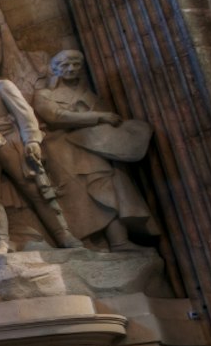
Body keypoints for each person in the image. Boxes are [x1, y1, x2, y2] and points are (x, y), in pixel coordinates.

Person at [0, 51, 81, 254]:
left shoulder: (1, 86)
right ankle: (1, 242)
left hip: (9, 141)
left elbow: (24, 114)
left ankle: (64, 236)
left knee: (36, 191)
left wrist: (32, 140)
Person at [32, 51, 156, 251]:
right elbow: (55, 116)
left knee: (105, 187)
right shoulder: (44, 95)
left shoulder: (89, 94)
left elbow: (111, 121)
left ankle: (118, 241)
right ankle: (94, 244)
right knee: (78, 196)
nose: (71, 69)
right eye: (66, 65)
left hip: (93, 146)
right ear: (55, 69)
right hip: (64, 150)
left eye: (75, 65)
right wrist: (98, 116)